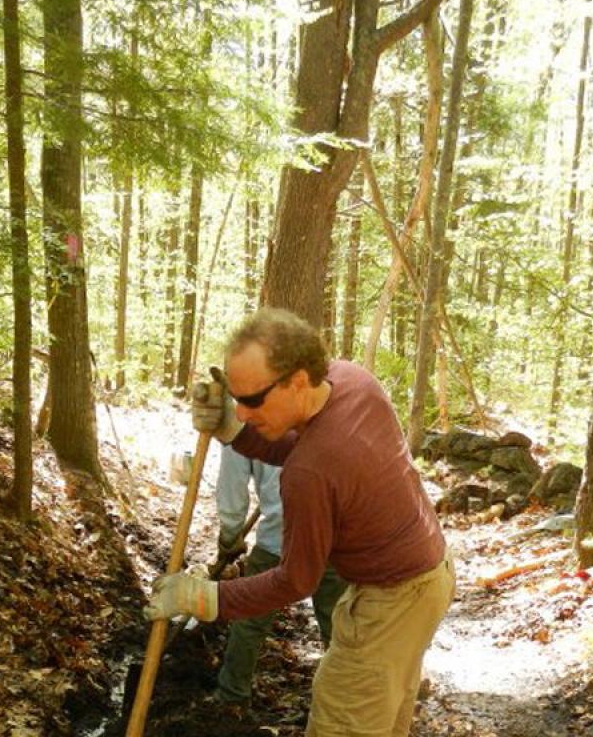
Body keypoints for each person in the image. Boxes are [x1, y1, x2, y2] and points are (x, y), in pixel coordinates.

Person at [144, 307, 455, 736]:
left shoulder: (308, 475)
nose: (244, 410)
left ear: (298, 381)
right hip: (428, 577)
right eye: (236, 399)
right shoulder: (352, 381)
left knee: (342, 722)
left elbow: (296, 580)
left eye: (252, 400)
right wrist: (233, 431)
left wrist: (201, 598)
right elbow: (309, 446)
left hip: (392, 603)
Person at [214, 445, 345, 704]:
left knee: (249, 618)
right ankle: (340, 700)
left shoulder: (239, 418)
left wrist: (229, 537)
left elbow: (232, 491)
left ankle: (231, 697)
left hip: (279, 538)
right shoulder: (321, 406)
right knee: (338, 624)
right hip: (332, 535)